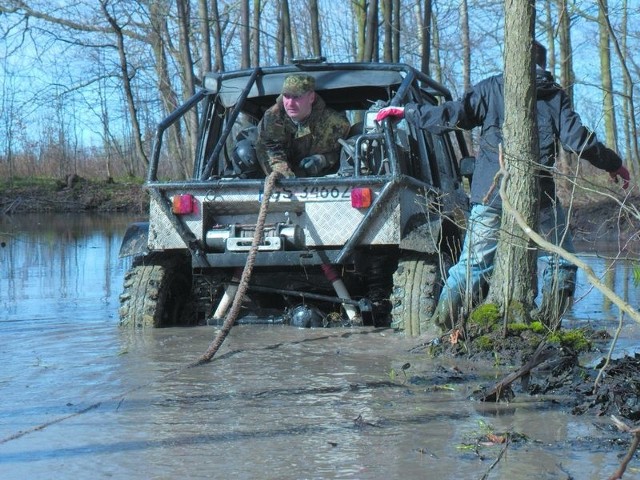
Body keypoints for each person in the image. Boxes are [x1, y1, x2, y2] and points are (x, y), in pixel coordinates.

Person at [376, 41, 631, 331]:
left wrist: (407, 112)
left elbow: (451, 115)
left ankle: (440, 331)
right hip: (539, 197)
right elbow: (578, 141)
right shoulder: (554, 95)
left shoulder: (491, 88)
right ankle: (548, 329)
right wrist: (614, 164)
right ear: (543, 65)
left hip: (491, 195)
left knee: (472, 267)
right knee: (563, 262)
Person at [255, 74, 350, 178]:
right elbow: (269, 149)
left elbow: (341, 154)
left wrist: (322, 160)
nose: (290, 104)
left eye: (296, 97)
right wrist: (286, 177)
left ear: (311, 97)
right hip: (281, 181)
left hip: (325, 182)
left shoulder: (336, 124)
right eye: (286, 96)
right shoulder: (273, 117)